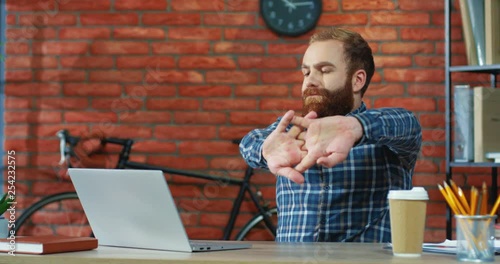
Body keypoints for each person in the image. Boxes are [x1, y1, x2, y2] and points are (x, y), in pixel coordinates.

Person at [239, 27, 422, 243]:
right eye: (306, 72)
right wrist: (264, 149)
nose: (310, 80)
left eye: (324, 70)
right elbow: (251, 141)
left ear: (358, 80)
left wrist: (352, 127)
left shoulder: (386, 140)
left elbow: (407, 123)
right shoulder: (290, 132)